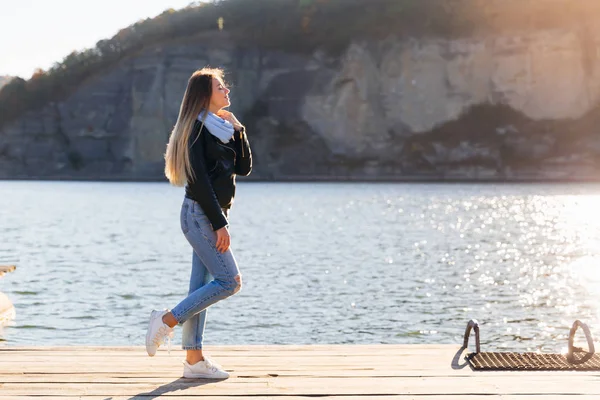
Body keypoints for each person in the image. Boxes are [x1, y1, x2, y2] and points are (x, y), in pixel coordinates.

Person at [145, 67, 252, 379]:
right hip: (200, 215)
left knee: (200, 287)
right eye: (221, 87)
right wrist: (220, 224)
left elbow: (243, 168)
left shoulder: (222, 127)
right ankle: (166, 320)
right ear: (206, 95)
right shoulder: (196, 128)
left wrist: (240, 131)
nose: (227, 91)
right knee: (230, 281)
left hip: (213, 214)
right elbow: (200, 181)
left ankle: (194, 360)